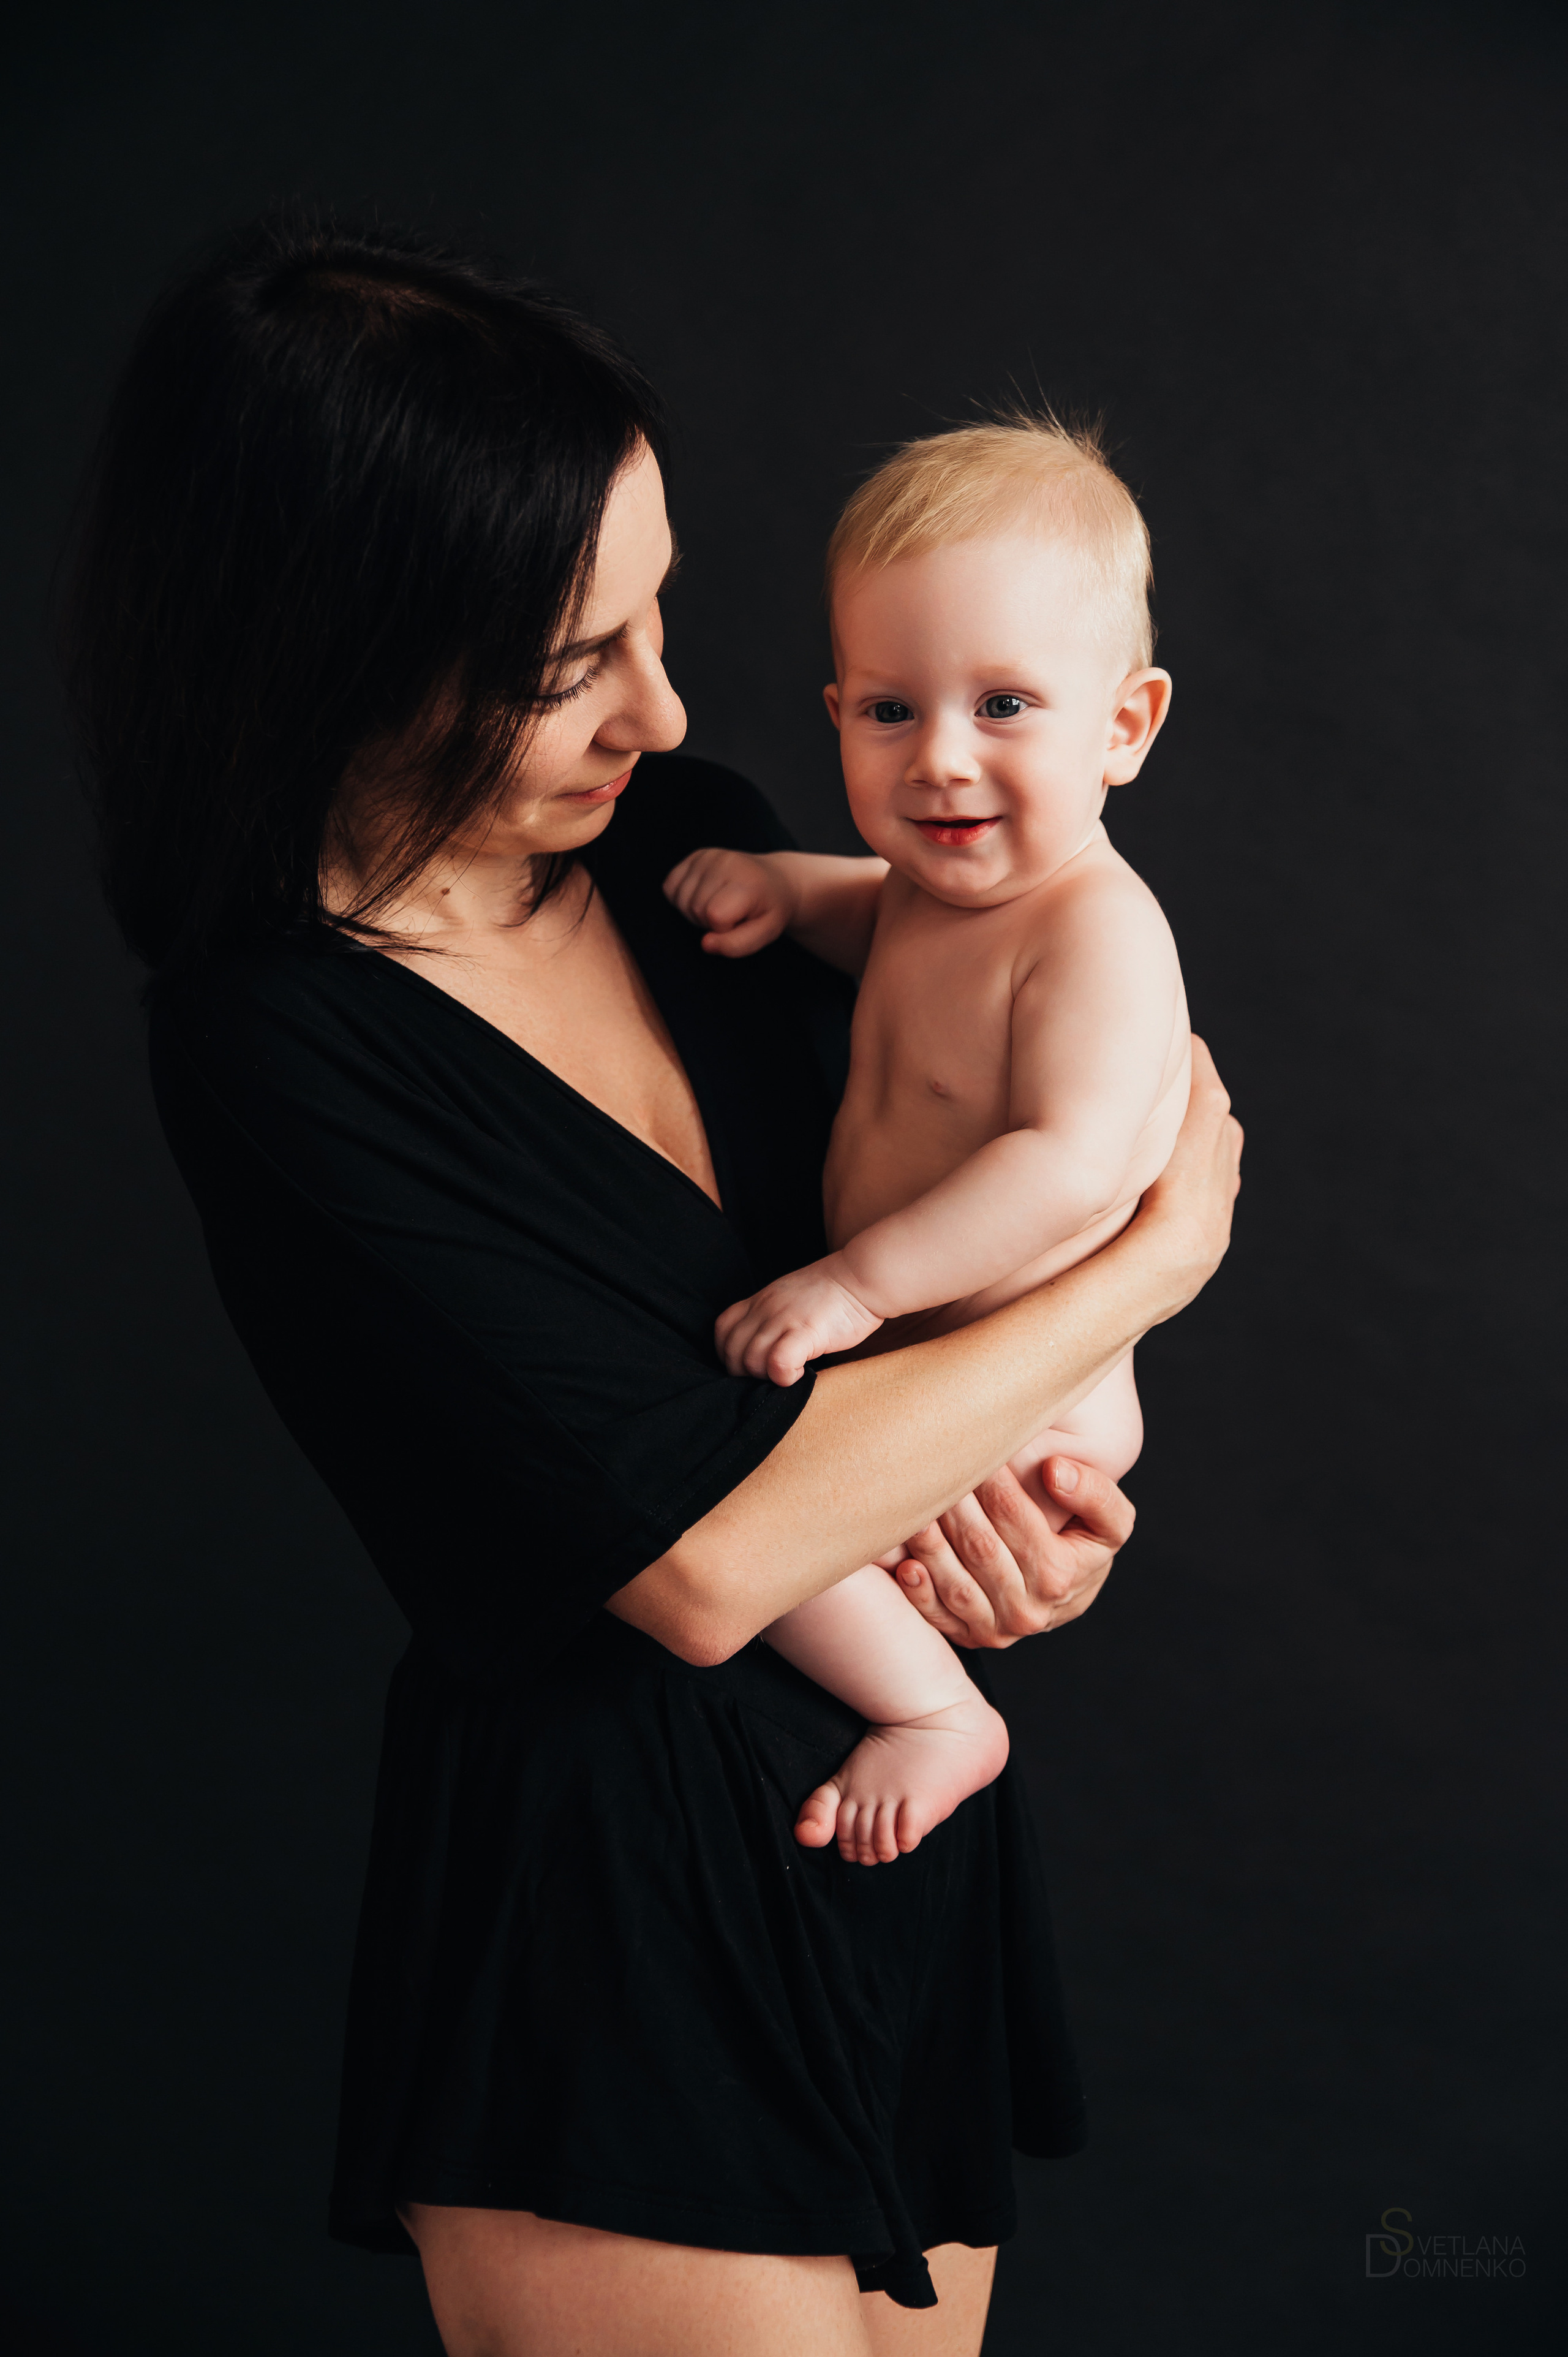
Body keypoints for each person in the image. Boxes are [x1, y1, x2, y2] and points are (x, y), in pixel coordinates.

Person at [64, 216, 1242, 2357]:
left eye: (658, 611)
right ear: (328, 653)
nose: (669, 706)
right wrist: (1165, 1243)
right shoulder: (281, 1042)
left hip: (896, 1843)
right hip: (608, 1913)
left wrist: (1043, 1528)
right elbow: (701, 1557)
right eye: (562, 662)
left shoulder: (690, 842)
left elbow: (925, 1280)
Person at [663, 418, 1189, 1872]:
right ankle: (911, 1692)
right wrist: (786, 888)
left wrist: (856, 1286)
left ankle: (935, 1714)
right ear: (833, 708)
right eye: (887, 711)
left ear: (1123, 727)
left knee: (772, 1528)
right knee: (760, 1516)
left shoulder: (1094, 933)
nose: (940, 764)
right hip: (921, 1349)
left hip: (1027, 1382)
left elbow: (1072, 1163)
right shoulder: (923, 889)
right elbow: (867, 906)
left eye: (1004, 703)